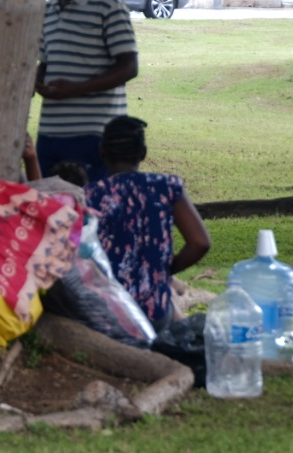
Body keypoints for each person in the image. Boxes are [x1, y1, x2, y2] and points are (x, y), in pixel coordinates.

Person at [36, 0, 138, 184]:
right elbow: (46, 64)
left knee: (93, 216)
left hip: (96, 135)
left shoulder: (107, 3)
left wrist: (75, 89)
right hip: (50, 134)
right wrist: (35, 82)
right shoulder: (47, 10)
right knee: (51, 214)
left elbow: (129, 67)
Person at [85, 115, 210, 327]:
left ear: (101, 151)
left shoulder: (90, 195)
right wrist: (162, 271)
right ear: (143, 153)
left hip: (106, 311)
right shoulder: (166, 186)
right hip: (154, 311)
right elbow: (200, 242)